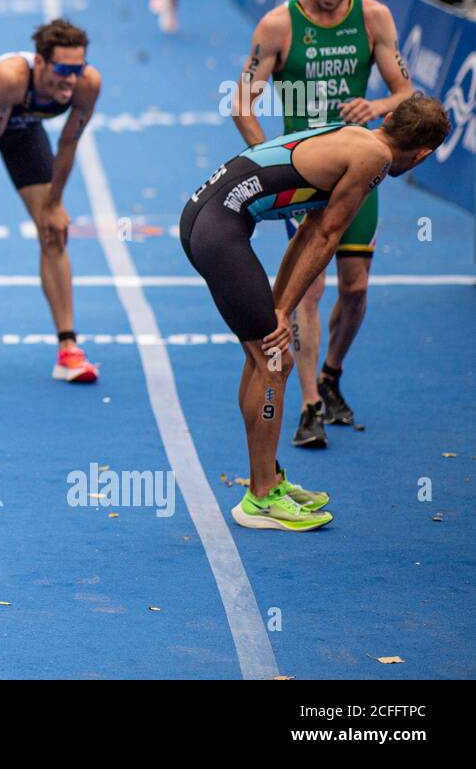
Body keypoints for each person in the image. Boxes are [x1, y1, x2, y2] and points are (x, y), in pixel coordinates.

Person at [181, 95, 449, 531]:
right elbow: (326, 238)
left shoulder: (359, 139)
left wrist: (279, 305)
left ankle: (266, 478)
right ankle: (261, 497)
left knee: (264, 356)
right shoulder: (373, 159)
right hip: (217, 231)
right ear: (422, 154)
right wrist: (282, 310)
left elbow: (306, 232)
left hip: (212, 222)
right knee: (274, 358)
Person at [231, 0, 415, 449]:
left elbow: (405, 92)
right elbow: (242, 102)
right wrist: (270, 161)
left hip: (359, 172)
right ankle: (309, 403)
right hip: (305, 179)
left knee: (354, 289)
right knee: (308, 290)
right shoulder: (277, 25)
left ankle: (331, 375)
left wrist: (375, 108)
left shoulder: (375, 18)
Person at [0, 19, 101, 388]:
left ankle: (68, 349)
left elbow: (68, 143)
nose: (70, 79)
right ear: (40, 63)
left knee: (53, 231)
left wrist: (54, 203)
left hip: (24, 130)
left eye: (76, 69)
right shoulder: (8, 78)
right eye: (62, 69)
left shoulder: (87, 85)